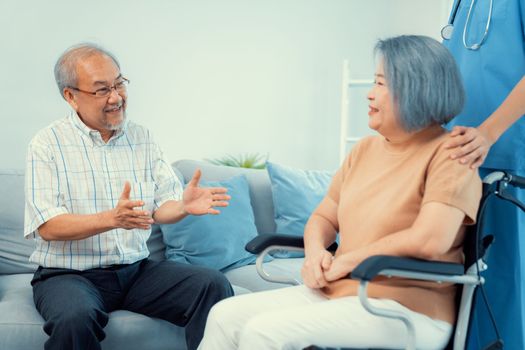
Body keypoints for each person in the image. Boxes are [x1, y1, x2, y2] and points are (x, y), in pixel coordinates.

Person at [197, 35, 481, 350]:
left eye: (380, 84)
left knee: (264, 332)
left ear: (416, 88)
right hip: (339, 294)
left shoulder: (452, 154)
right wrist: (316, 253)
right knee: (224, 315)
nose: (369, 95)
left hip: (408, 309)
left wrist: (349, 261)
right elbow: (323, 215)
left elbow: (431, 240)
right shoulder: (365, 150)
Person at [24, 43, 234, 350]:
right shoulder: (46, 144)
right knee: (75, 317)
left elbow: (163, 207)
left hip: (136, 272)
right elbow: (47, 226)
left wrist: (184, 207)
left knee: (212, 285)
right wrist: (111, 219)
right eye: (101, 90)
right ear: (71, 96)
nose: (116, 97)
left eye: (119, 83)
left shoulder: (142, 137)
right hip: (68, 275)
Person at [442, 0, 525, 348]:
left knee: (504, 291)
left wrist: (489, 133)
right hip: (457, 160)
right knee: (456, 291)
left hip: (506, 161)